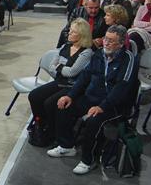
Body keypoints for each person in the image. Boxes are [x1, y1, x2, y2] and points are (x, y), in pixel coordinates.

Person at [48, 25, 138, 175]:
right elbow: (84, 78)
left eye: (111, 41)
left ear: (121, 44)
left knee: (94, 121)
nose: (106, 43)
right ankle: (66, 146)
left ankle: (88, 161)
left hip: (115, 105)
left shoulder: (128, 59)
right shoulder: (98, 54)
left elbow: (121, 88)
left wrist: (102, 106)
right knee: (63, 105)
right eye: (105, 39)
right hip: (93, 98)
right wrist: (70, 95)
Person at [28, 18, 93, 144]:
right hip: (59, 81)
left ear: (81, 35)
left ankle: (52, 132)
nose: (69, 33)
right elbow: (53, 65)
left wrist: (59, 67)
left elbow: (72, 72)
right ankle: (41, 124)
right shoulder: (65, 46)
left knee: (49, 103)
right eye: (70, 31)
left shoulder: (86, 53)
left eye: (73, 32)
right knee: (34, 96)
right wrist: (62, 68)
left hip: (72, 86)